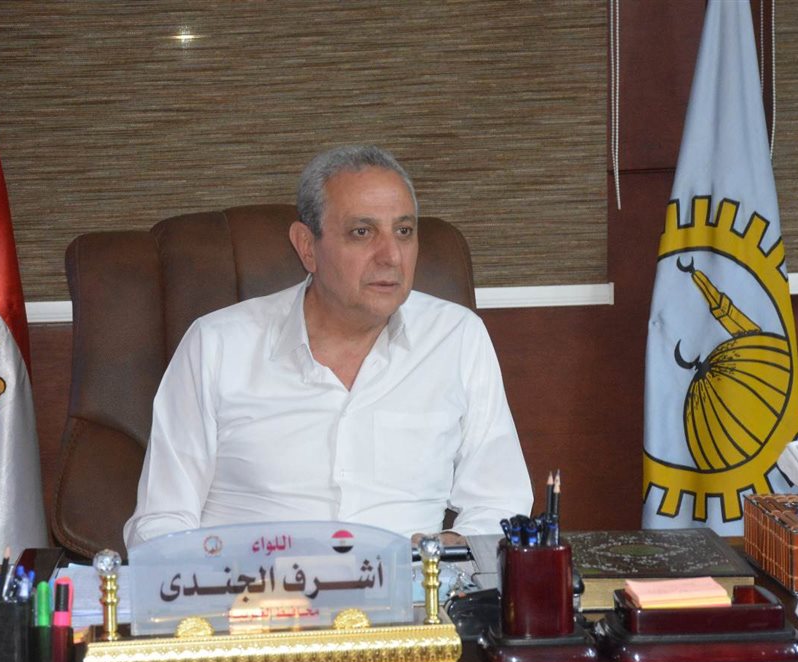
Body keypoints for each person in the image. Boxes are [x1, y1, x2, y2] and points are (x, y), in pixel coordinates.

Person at [123, 145, 531, 547]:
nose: (391, 256)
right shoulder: (217, 345)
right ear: (307, 247)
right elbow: (160, 522)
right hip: (255, 585)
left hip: (409, 586)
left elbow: (499, 503)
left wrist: (443, 550)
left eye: (404, 232)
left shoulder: (456, 337)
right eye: (362, 232)